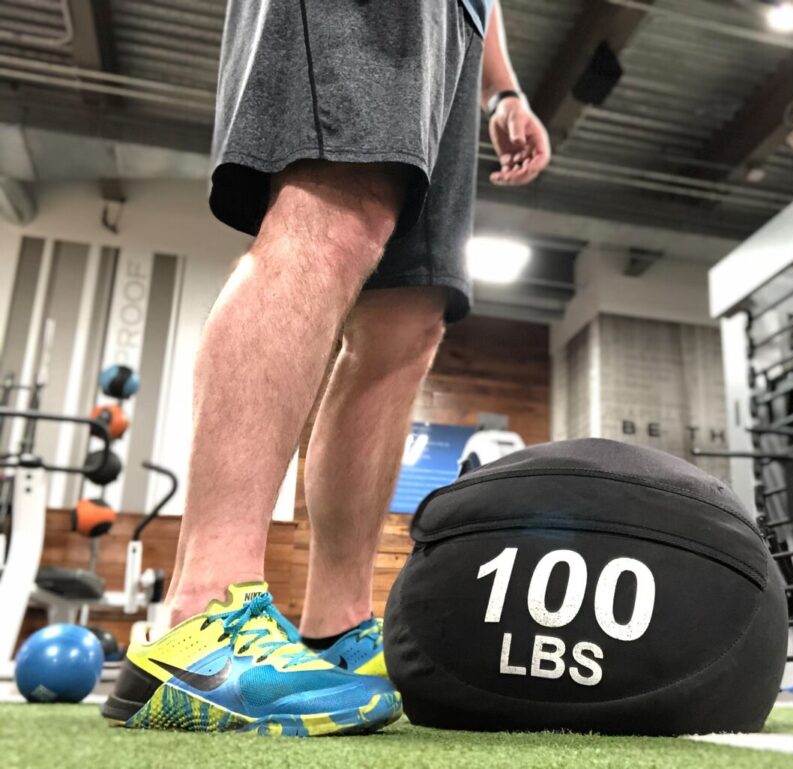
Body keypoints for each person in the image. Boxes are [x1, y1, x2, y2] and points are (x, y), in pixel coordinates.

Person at [102, 0, 550, 736]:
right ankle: (200, 617)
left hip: (460, 24)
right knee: (335, 208)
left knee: (409, 316)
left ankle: (333, 628)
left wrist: (502, 90)